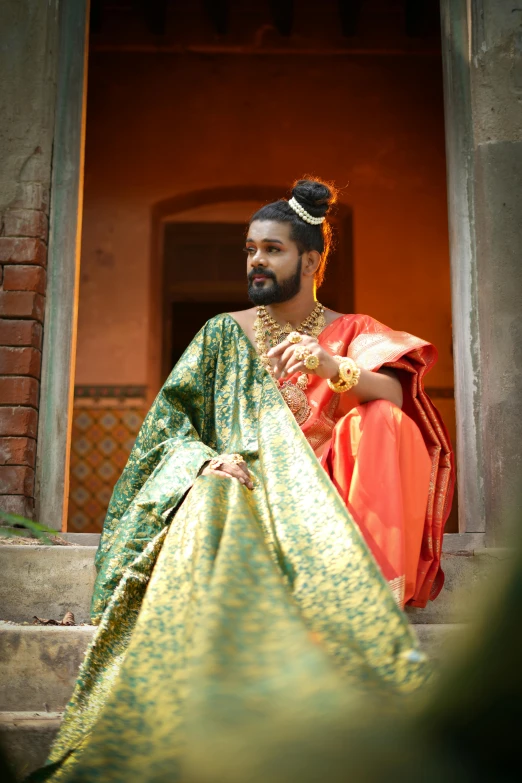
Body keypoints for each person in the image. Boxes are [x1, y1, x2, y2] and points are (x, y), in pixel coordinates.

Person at [29, 178, 453, 783]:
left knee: (385, 418)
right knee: (214, 490)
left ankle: (365, 599)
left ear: (310, 260)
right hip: (248, 491)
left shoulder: (353, 329)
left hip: (331, 509)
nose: (256, 260)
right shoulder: (222, 334)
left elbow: (396, 394)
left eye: (272, 249)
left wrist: (328, 364)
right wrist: (203, 460)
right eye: (250, 248)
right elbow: (167, 427)